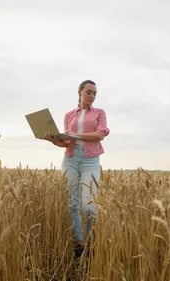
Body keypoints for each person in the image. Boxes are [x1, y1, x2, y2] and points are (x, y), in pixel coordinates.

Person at [45, 80, 110, 259]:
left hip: (90, 161)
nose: (92, 96)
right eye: (89, 92)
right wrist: (53, 140)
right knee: (72, 205)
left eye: (95, 93)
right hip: (70, 159)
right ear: (80, 92)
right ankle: (79, 244)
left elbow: (99, 134)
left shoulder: (99, 113)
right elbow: (67, 142)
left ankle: (91, 244)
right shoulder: (69, 115)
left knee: (89, 207)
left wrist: (74, 135)